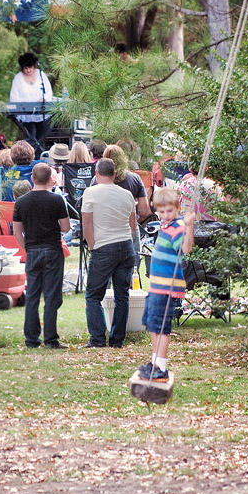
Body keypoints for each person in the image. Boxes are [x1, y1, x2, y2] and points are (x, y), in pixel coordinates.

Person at [137, 187, 195, 383]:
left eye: (169, 211)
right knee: (153, 325)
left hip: (167, 288)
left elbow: (186, 249)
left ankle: (161, 366)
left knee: (161, 327)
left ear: (177, 208)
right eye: (161, 212)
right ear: (155, 210)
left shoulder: (179, 226)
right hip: (156, 287)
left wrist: (189, 226)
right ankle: (155, 363)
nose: (165, 215)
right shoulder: (165, 226)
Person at [13, 163, 71, 349]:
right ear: (49, 179)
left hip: (33, 250)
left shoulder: (21, 202)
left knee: (32, 295)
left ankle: (31, 339)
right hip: (52, 249)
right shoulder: (56, 200)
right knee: (52, 296)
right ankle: (51, 338)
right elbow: (66, 227)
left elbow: (17, 232)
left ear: (32, 179)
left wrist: (27, 248)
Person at [80, 158, 137, 348]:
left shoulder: (91, 192)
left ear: (96, 174)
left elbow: (86, 223)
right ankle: (117, 339)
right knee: (122, 295)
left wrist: (92, 245)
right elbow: (133, 225)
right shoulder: (127, 194)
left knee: (94, 295)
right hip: (126, 246)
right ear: (114, 175)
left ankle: (97, 338)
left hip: (103, 246)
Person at [9, 52, 53, 156]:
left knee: (41, 138)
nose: (28, 70)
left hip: (42, 114)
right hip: (26, 116)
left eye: (30, 67)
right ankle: (30, 159)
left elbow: (49, 92)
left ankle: (40, 159)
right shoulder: (18, 78)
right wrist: (21, 103)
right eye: (26, 68)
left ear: (34, 66)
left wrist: (44, 99)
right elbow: (14, 97)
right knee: (30, 138)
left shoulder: (41, 75)